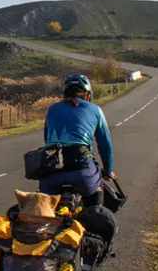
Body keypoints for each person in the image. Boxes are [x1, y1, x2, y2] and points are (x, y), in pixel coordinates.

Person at [39, 73, 115, 207]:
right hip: (82, 171)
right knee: (96, 187)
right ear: (87, 95)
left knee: (47, 206)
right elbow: (105, 146)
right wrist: (107, 171)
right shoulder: (95, 110)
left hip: (50, 174)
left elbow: (47, 140)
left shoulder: (52, 109)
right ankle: (94, 220)